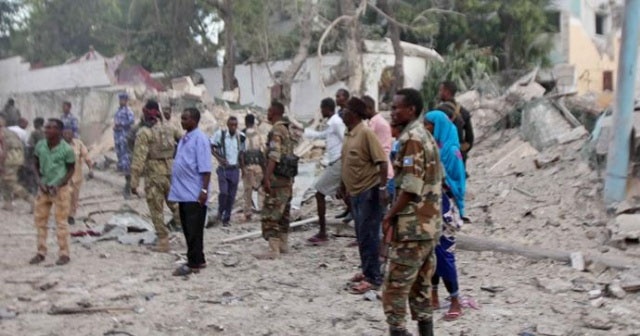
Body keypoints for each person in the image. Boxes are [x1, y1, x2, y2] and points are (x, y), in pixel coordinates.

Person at [382, 88, 443, 336]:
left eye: (398, 107)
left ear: (412, 110)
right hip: (428, 226)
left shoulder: (412, 139)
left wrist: (389, 216)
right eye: (392, 107)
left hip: (413, 229)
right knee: (421, 289)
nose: (393, 112)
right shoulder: (424, 135)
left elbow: (410, 187)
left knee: (394, 291)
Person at [340, 97, 388, 294]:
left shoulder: (366, 133)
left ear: (354, 114)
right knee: (361, 234)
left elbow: (382, 162)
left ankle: (373, 278)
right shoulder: (349, 134)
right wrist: (342, 185)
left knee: (369, 235)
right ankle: (367, 270)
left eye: (345, 109)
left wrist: (383, 188)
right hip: (355, 192)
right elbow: (347, 161)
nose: (342, 112)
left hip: (369, 191)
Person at [424, 110, 466, 321]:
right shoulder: (433, 148)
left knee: (445, 255)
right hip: (432, 206)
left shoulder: (451, 150)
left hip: (447, 207)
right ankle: (434, 294)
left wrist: (441, 179)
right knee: (432, 253)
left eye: (429, 125)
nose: (425, 129)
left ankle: (455, 299)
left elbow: (460, 182)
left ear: (438, 126)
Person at [130, 100, 182, 252]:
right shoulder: (170, 128)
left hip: (154, 175)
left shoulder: (144, 133)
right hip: (171, 172)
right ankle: (190, 232)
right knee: (176, 205)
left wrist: (134, 183)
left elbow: (138, 159)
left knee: (156, 208)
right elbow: (184, 140)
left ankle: (163, 241)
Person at [168, 108, 212, 276]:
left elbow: (206, 168)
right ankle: (199, 259)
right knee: (188, 228)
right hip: (183, 193)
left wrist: (203, 190)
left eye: (185, 118)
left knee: (193, 229)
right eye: (182, 118)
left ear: (194, 120)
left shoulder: (200, 139)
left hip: (194, 193)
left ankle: (193, 263)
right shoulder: (185, 139)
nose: (182, 121)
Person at [30, 118, 76, 266]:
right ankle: (41, 252)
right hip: (43, 188)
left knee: (61, 222)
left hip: (60, 190)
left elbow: (71, 169)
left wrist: (60, 183)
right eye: (46, 127)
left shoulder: (67, 149)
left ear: (59, 131)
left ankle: (64, 254)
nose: (47, 130)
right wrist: (39, 181)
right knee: (40, 222)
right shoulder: (40, 145)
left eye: (51, 128)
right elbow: (35, 164)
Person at [255, 101, 295, 260]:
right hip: (287, 179)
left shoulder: (276, 131)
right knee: (284, 212)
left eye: (269, 110)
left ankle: (273, 249)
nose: (267, 113)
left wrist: (266, 178)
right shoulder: (286, 130)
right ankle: (283, 244)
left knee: (271, 212)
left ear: (274, 112)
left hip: (277, 179)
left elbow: (274, 156)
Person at [304, 98, 346, 244]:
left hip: (339, 162)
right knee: (347, 197)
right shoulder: (332, 123)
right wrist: (304, 131)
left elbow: (346, 141)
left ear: (326, 108)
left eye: (321, 109)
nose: (321, 112)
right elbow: (321, 135)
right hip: (336, 162)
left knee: (319, 193)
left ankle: (323, 233)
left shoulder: (336, 122)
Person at [210, 116, 244, 227]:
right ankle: (220, 211)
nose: (233, 127)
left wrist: (243, 169)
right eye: (231, 125)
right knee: (224, 192)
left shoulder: (241, 137)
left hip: (235, 169)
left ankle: (226, 219)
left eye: (235, 125)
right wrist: (219, 158)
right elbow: (211, 146)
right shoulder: (221, 134)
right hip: (223, 169)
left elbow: (242, 154)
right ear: (228, 125)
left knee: (231, 196)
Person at [363, 95, 394, 204]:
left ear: (369, 108)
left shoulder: (376, 123)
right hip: (380, 171)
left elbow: (380, 151)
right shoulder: (375, 121)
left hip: (382, 173)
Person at [436, 81, 474, 167]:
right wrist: (461, 151)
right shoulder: (463, 111)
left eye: (440, 90)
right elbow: (470, 139)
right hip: (459, 155)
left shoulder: (439, 111)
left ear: (447, 92)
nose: (439, 93)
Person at [0, 118, 34, 211]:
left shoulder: (1, 133)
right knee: (3, 181)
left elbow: (4, 148)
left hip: (9, 158)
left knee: (11, 182)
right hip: (18, 157)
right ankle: (7, 203)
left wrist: (2, 162)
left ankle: (31, 200)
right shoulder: (10, 132)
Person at [62, 128, 93, 225]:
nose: (67, 135)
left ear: (72, 135)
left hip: (76, 176)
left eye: (69, 133)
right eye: (65, 133)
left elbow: (86, 156)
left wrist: (90, 169)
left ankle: (71, 215)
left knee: (74, 197)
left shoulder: (78, 144)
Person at [240, 114, 265, 221]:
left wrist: (242, 168)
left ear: (245, 122)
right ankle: (262, 210)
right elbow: (262, 151)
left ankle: (248, 212)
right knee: (261, 188)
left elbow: (241, 153)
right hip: (258, 165)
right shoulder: (258, 134)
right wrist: (264, 167)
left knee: (248, 190)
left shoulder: (242, 134)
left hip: (247, 166)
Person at [334, 88, 353, 223]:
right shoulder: (339, 113)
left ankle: (352, 211)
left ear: (345, 97)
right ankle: (348, 209)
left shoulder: (349, 111)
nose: (337, 98)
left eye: (339, 96)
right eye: (336, 96)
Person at [113, 92, 135, 199]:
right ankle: (122, 170)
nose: (121, 101)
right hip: (118, 136)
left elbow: (131, 121)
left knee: (126, 156)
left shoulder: (128, 111)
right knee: (119, 154)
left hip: (124, 135)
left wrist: (120, 124)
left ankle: (128, 176)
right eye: (120, 99)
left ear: (126, 100)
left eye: (123, 99)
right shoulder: (118, 110)